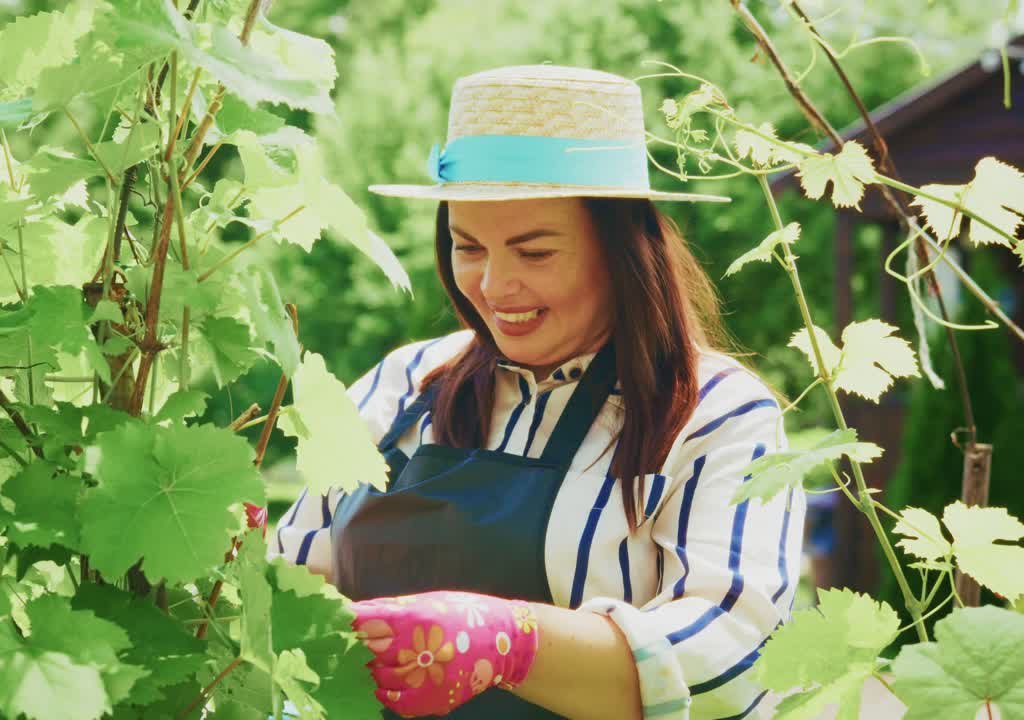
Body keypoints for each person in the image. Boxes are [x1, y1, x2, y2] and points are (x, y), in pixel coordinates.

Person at [269, 65, 806, 720]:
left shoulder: (716, 413)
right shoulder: (402, 383)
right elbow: (293, 581)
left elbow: (734, 662)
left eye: (535, 253)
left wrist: (514, 643)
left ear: (621, 250)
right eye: (469, 247)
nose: (494, 286)